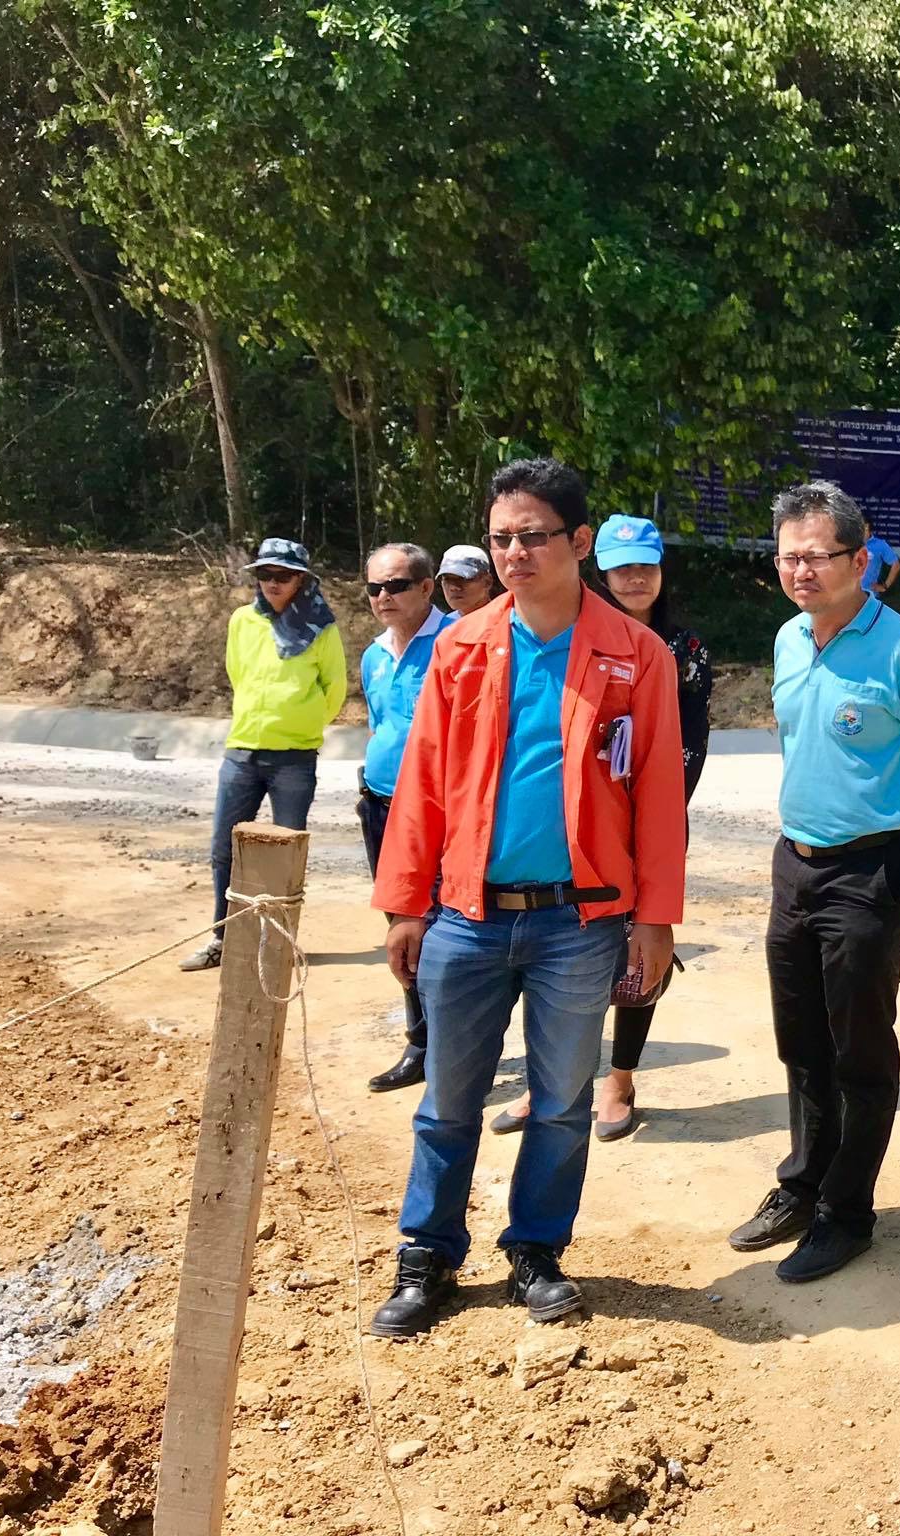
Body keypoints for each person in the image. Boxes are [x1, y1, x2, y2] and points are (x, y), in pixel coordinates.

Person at [367, 458, 687, 1337]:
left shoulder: (637, 654)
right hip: (466, 918)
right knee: (448, 1103)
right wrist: (406, 903)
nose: (514, 553)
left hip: (578, 924)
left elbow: (659, 796)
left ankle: (536, 1251)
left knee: (561, 1103)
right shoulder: (462, 648)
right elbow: (422, 783)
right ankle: (427, 1256)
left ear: (579, 543)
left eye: (533, 536)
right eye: (501, 537)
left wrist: (655, 918)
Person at [726, 480, 900, 1283]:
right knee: (801, 1038)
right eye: (789, 556)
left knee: (858, 1045)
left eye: (819, 555)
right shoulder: (790, 639)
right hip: (796, 862)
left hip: (873, 868)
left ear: (862, 562)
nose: (802, 570)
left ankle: (847, 1212)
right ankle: (804, 1182)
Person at [492, 512, 714, 1141]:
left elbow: (690, 744)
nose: (635, 578)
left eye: (646, 566)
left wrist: (652, 819)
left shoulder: (685, 650)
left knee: (640, 953)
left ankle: (620, 1077)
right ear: (601, 570)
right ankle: (549, 1079)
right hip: (575, 825)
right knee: (558, 948)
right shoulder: (573, 634)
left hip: (648, 823)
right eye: (622, 568)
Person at [179, 538, 347, 971]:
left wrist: (301, 723)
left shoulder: (322, 628)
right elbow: (238, 674)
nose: (273, 583)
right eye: (265, 574)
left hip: (294, 758)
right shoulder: (242, 621)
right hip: (242, 752)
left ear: (301, 580)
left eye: (283, 575)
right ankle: (223, 938)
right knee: (224, 849)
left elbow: (334, 690)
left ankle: (278, 942)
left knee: (284, 856)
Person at [358, 542, 452, 1093]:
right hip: (381, 804)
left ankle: (452, 1047)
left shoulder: (455, 643)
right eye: (374, 588)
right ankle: (421, 1042)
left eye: (395, 586)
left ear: (425, 588)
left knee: (444, 929)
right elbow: (381, 725)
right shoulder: (373, 654)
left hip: (437, 812)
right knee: (401, 925)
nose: (383, 597)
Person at [437, 543, 499, 615]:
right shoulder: (444, 621)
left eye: (464, 579)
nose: (453, 587)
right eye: (447, 579)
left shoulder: (505, 618)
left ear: (487, 582)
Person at [861, 515, 900, 598]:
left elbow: (896, 566)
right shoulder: (849, 544)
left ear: (870, 530)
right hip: (848, 596)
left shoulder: (880, 545)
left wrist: (885, 586)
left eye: (865, 529)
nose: (862, 532)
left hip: (869, 595)